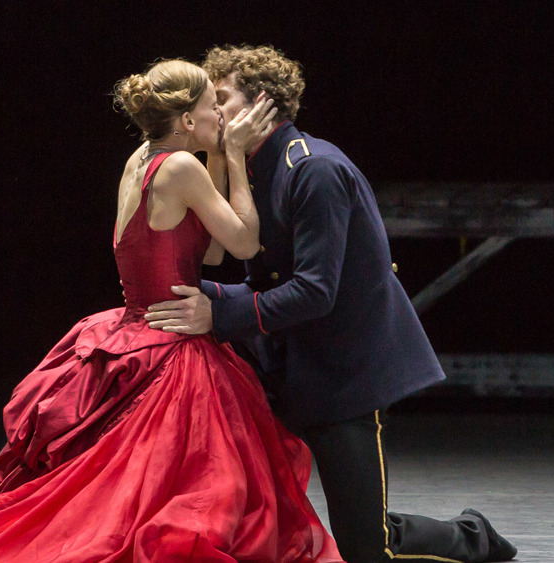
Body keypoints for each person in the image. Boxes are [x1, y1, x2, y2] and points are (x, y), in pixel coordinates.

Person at [0, 59, 343, 562]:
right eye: (212, 109)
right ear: (186, 121)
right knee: (188, 489)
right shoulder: (181, 167)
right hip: (169, 346)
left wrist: (221, 162)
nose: (222, 120)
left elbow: (210, 255)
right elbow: (245, 245)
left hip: (133, 329)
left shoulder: (144, 157)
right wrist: (227, 152)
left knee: (134, 486)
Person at [144, 45, 518, 563]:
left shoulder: (313, 170)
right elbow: (260, 274)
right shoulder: (250, 168)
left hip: (344, 374)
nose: (211, 111)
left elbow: (314, 291)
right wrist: (191, 292)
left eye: (222, 98)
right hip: (288, 367)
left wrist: (218, 309)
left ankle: (472, 536)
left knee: (367, 548)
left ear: (261, 107)